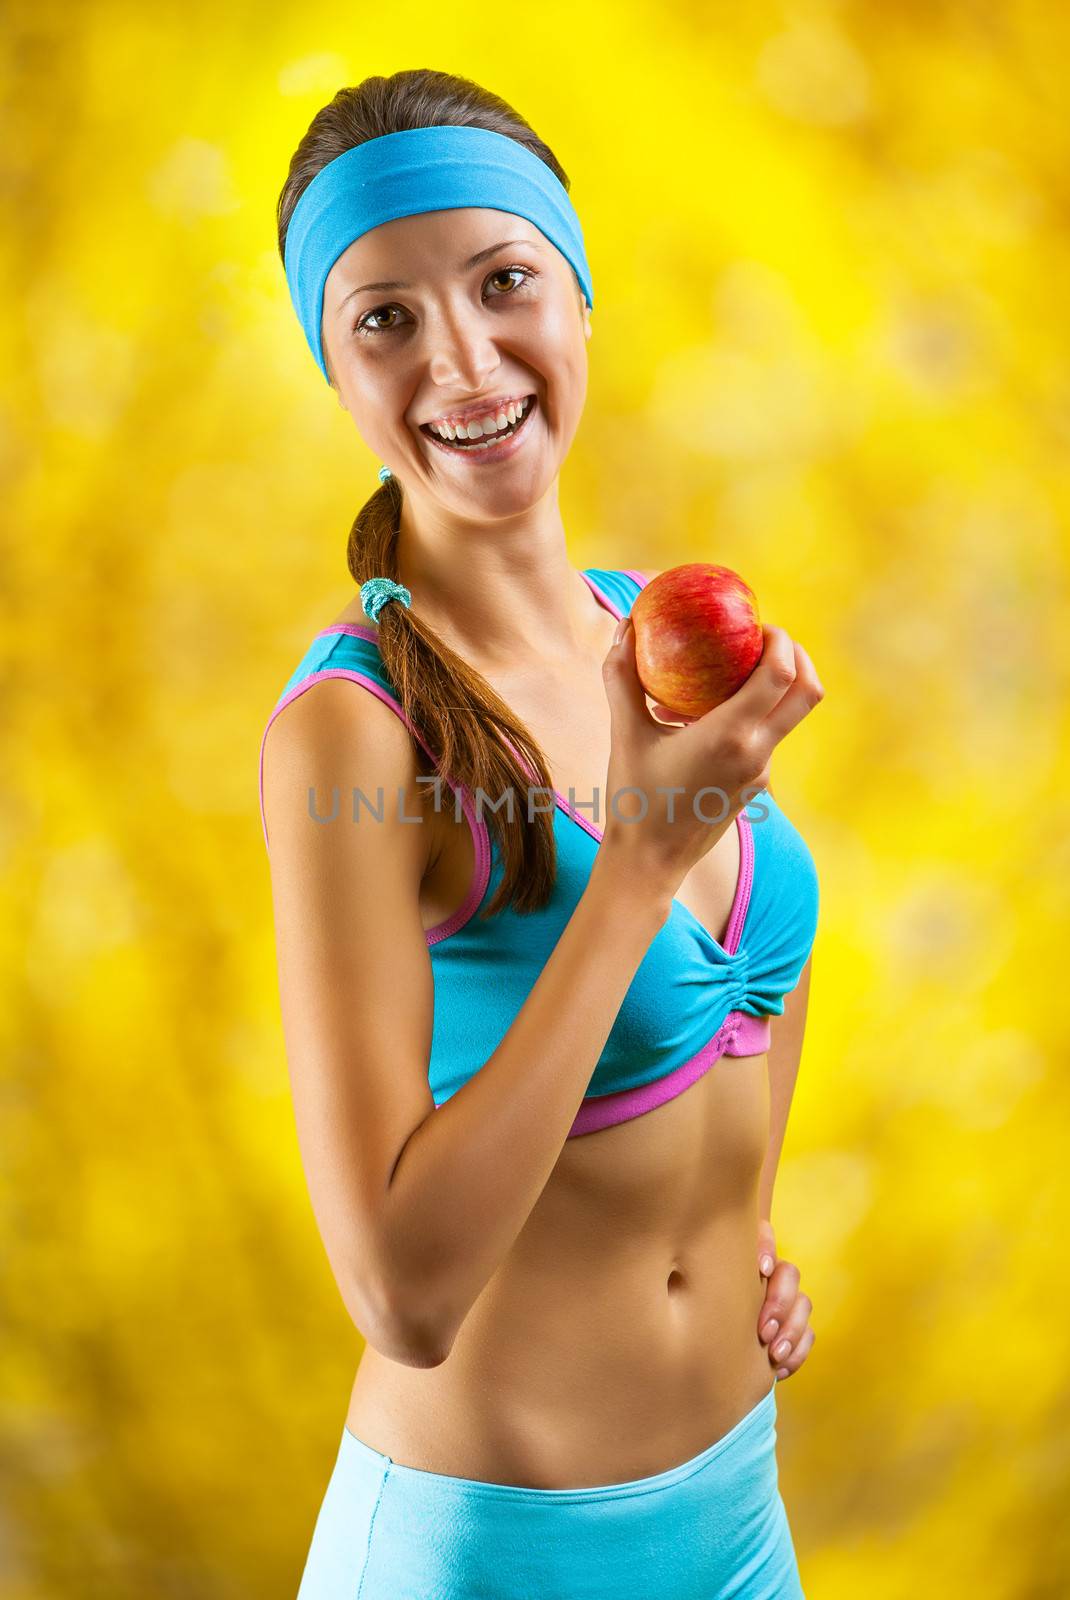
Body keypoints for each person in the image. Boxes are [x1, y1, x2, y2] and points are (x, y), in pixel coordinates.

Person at [259, 68, 825, 1600]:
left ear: (578, 303)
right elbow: (404, 1292)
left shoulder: (646, 637)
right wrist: (633, 867)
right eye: (383, 316)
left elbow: (745, 993)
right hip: (485, 1557)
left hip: (734, 1521)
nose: (459, 356)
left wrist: (734, 1234)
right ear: (335, 368)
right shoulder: (354, 732)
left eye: (503, 281)